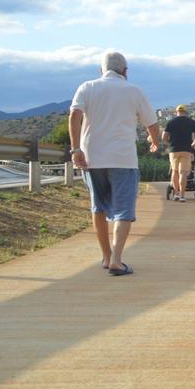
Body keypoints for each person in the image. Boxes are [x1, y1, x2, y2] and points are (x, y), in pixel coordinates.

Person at [69, 51, 159, 276]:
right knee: (123, 210)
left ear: (101, 70)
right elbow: (152, 124)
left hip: (92, 157)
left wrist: (75, 149)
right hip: (123, 158)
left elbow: (74, 116)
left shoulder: (87, 87)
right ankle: (117, 260)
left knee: (98, 207)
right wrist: (154, 141)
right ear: (125, 71)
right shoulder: (134, 90)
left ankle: (107, 256)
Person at [162, 104, 195, 202]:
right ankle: (183, 196)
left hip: (174, 150)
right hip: (186, 149)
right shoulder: (191, 122)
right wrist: (194, 144)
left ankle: (176, 194)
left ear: (177, 112)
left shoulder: (171, 122)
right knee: (183, 173)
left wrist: (169, 144)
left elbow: (164, 136)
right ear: (186, 112)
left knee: (175, 172)